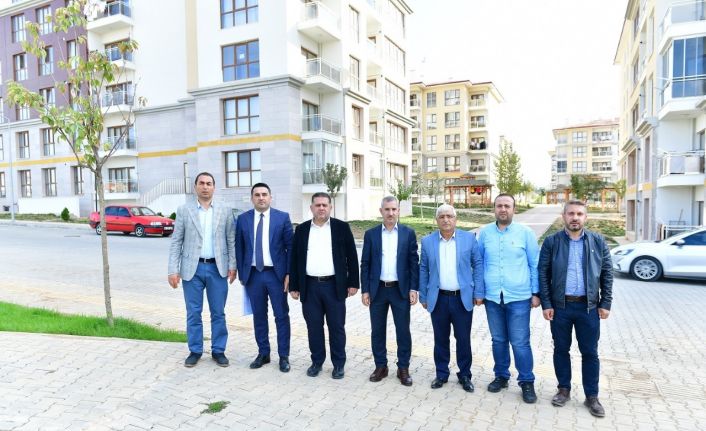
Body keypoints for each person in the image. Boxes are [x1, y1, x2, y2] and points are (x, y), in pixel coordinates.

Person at [539, 199, 613, 417]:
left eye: (579, 214)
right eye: (571, 213)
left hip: (588, 308)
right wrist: (546, 303)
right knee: (561, 349)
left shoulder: (598, 241)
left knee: (590, 352)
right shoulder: (552, 242)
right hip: (560, 307)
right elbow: (543, 273)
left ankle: (592, 396)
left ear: (585, 217)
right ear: (564, 216)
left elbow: (607, 273)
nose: (575, 218)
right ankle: (563, 390)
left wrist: (606, 302)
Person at [168, 172, 236, 368]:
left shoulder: (225, 210)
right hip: (192, 269)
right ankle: (195, 350)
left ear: (214, 187)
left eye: (209, 183)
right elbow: (176, 241)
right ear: (195, 186)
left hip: (218, 268)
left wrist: (233, 266)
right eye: (202, 183)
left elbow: (230, 240)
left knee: (218, 312)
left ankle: (218, 350)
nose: (205, 187)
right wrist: (173, 270)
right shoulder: (184, 210)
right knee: (193, 313)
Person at [288, 192, 359, 379]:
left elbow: (352, 257)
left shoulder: (341, 228)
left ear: (330, 207)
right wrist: (294, 286)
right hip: (309, 286)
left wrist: (353, 283)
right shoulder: (302, 229)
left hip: (334, 286)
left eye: (324, 205)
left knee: (337, 327)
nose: (321, 208)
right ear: (311, 208)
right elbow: (294, 259)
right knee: (314, 327)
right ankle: (317, 362)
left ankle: (339, 364)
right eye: (317, 205)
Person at [477, 194, 540, 403]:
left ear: (514, 209)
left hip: (519, 298)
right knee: (498, 340)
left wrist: (536, 293)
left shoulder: (526, 233)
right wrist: (479, 292)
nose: (503, 209)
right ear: (494, 208)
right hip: (493, 297)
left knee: (520, 342)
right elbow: (479, 263)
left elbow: (534, 264)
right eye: (499, 206)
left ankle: (527, 381)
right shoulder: (485, 233)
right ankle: (501, 376)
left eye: (507, 206)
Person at [419, 204, 484, 392]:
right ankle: (441, 373)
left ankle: (465, 375)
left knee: (463, 339)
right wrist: (423, 295)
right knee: (440, 339)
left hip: (462, 298)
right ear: (436, 220)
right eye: (442, 216)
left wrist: (479, 292)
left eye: (449, 216)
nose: (446, 220)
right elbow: (423, 269)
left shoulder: (469, 239)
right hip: (438, 298)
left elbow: (478, 265)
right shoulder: (428, 241)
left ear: (456, 219)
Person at [360, 196, 419, 386]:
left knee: (403, 331)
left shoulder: (408, 234)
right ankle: (381, 366)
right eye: (387, 209)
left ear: (398, 211)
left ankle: (403, 368)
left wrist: (413, 288)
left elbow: (413, 263)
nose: (391, 213)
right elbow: (365, 264)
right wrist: (365, 290)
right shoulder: (371, 234)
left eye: (394, 209)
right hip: (377, 290)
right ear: (381, 211)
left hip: (400, 291)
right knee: (377, 331)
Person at [235, 183, 293, 373]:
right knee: (259, 316)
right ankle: (263, 353)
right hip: (253, 275)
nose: (261, 198)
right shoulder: (243, 219)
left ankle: (283, 356)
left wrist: (289, 273)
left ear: (270, 197)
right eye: (257, 195)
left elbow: (290, 247)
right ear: (252, 198)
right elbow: (239, 247)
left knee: (281, 316)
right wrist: (242, 273)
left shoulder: (282, 217)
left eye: (264, 194)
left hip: (276, 276)